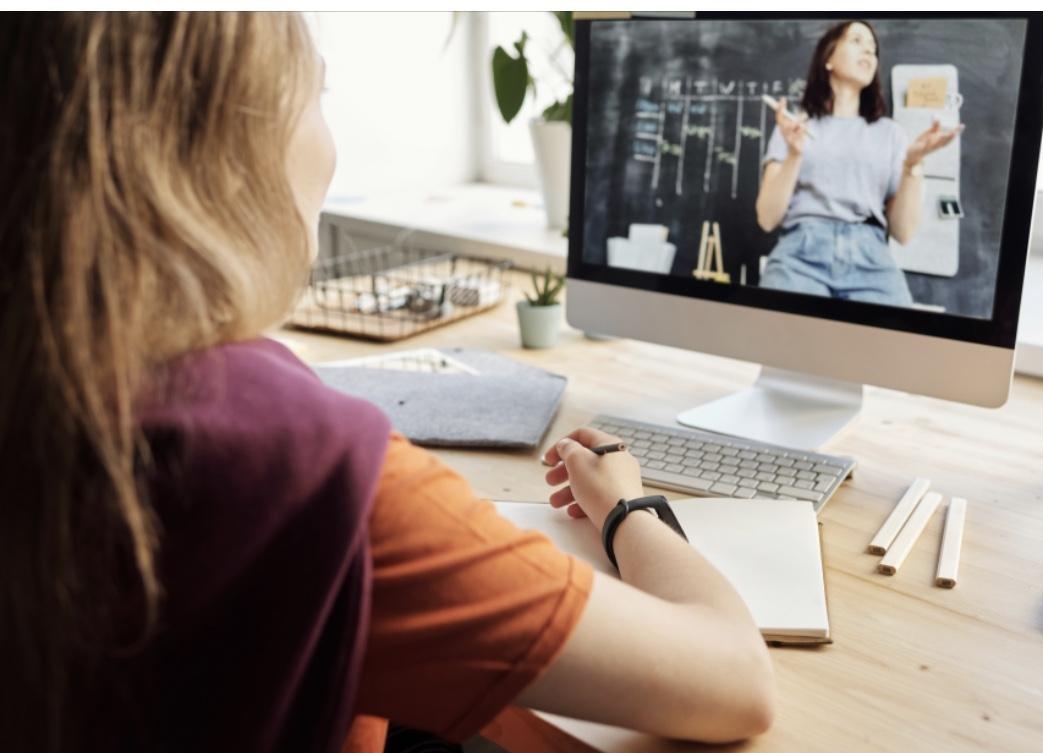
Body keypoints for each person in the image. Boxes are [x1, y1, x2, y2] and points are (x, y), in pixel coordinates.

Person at [0, 13, 775, 753]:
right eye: (317, 95)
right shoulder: (307, 467)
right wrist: (627, 506)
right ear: (227, 145)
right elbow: (734, 679)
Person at [755, 20, 963, 306]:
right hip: (800, 253)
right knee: (779, 331)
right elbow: (767, 218)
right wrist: (794, 154)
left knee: (898, 333)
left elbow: (903, 232)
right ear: (828, 58)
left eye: (873, 48)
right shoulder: (795, 126)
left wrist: (912, 164)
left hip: (871, 258)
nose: (868, 51)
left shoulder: (890, 134)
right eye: (856, 41)